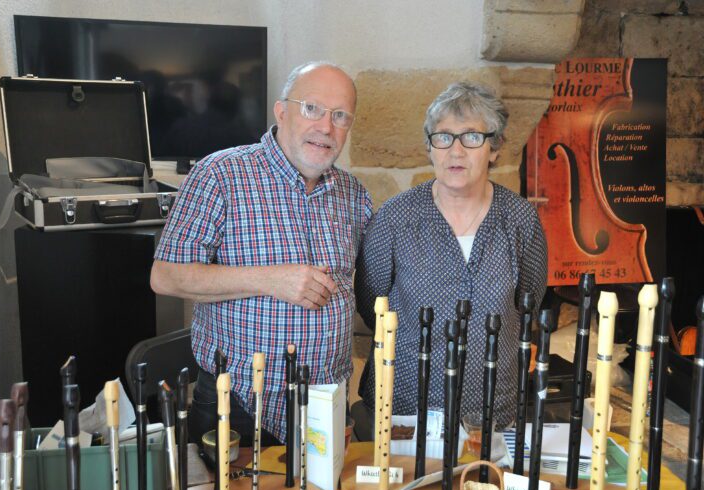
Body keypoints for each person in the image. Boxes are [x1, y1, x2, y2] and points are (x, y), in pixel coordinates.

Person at [151, 62, 372, 446]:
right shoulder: (220, 175)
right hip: (238, 404)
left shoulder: (353, 194)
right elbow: (165, 275)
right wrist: (271, 279)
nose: (326, 127)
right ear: (281, 111)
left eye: (340, 116)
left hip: (326, 406)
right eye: (312, 108)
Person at [354, 81, 547, 430]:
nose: (455, 151)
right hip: (405, 404)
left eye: (471, 137)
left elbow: (528, 303)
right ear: (430, 147)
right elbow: (371, 305)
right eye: (443, 137)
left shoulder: (520, 219)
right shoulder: (395, 218)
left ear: (494, 148)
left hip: (493, 405)